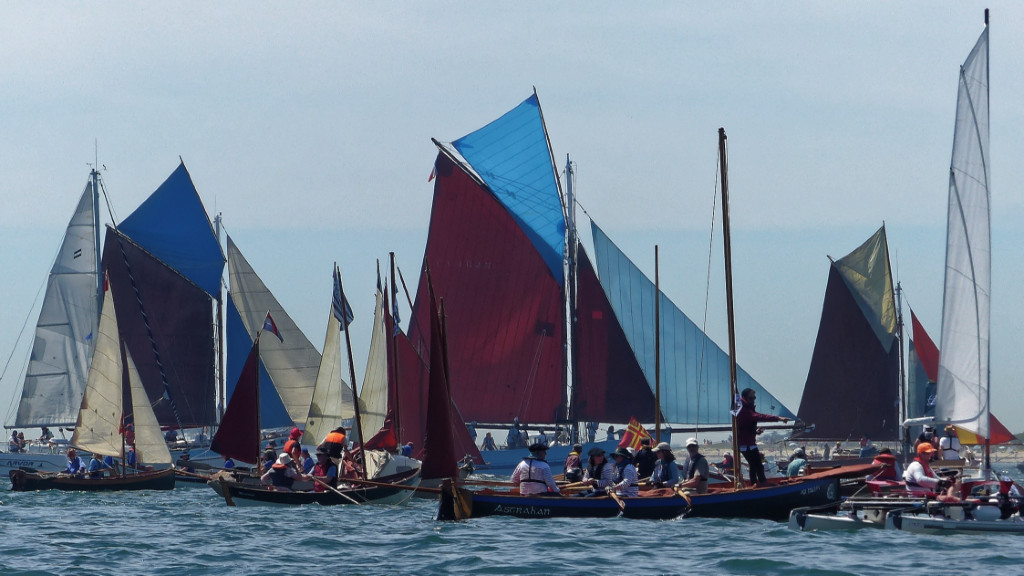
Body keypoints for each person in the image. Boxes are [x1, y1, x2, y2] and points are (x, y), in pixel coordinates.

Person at [736, 387, 789, 485]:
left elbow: (745, 426)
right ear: (744, 398)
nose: (753, 400)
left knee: (753, 465)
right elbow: (759, 416)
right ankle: (762, 483)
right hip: (746, 444)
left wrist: (755, 431)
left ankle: (754, 484)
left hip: (747, 442)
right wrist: (779, 418)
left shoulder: (746, 409)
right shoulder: (743, 409)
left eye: (754, 398)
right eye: (751, 398)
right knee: (758, 465)